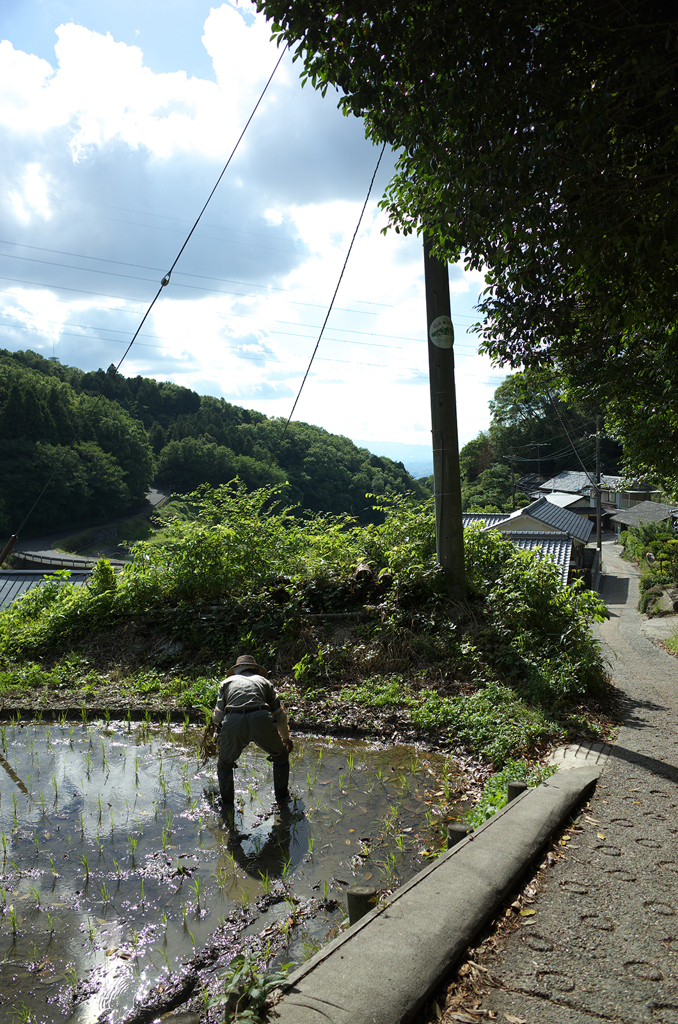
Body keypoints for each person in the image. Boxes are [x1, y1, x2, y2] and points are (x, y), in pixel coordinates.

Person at [212, 654, 293, 816]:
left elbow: (218, 717)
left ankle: (227, 806)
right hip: (261, 718)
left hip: (233, 719)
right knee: (280, 756)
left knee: (225, 763)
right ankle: (282, 799)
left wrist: (218, 735)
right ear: (255, 669)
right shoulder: (264, 682)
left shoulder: (226, 683)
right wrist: (285, 738)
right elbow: (279, 715)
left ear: (236, 670)